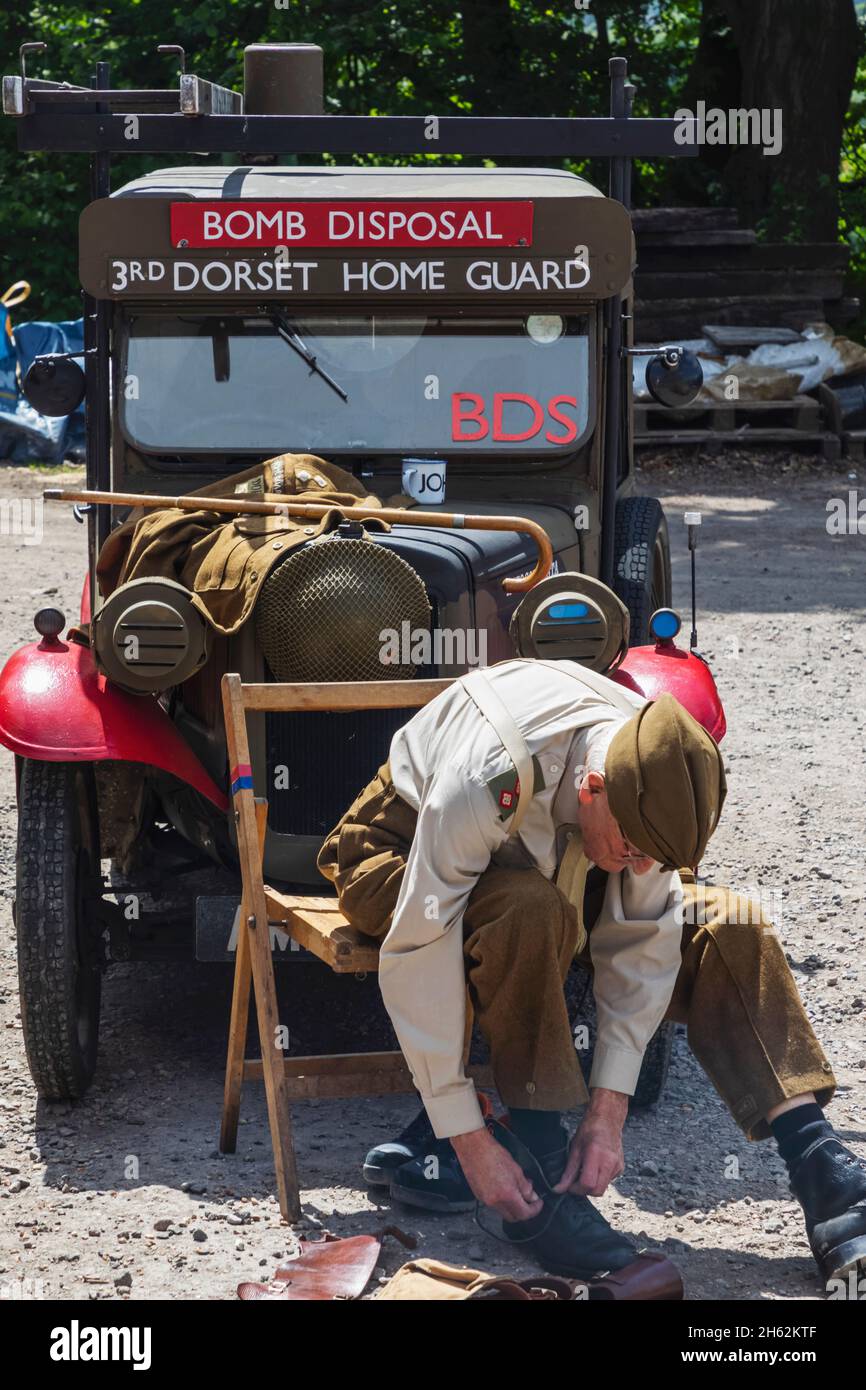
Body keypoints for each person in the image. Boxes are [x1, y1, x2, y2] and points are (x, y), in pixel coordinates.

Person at [318, 657, 866, 1284]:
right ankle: (536, 1156)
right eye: (633, 849)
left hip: (561, 866)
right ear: (593, 786)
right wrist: (467, 1139)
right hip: (406, 851)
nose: (638, 866)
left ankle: (825, 1171)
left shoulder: (646, 768)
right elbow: (420, 946)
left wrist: (608, 1115)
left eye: (648, 856)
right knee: (529, 907)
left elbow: (641, 938)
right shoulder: (486, 776)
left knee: (729, 922)